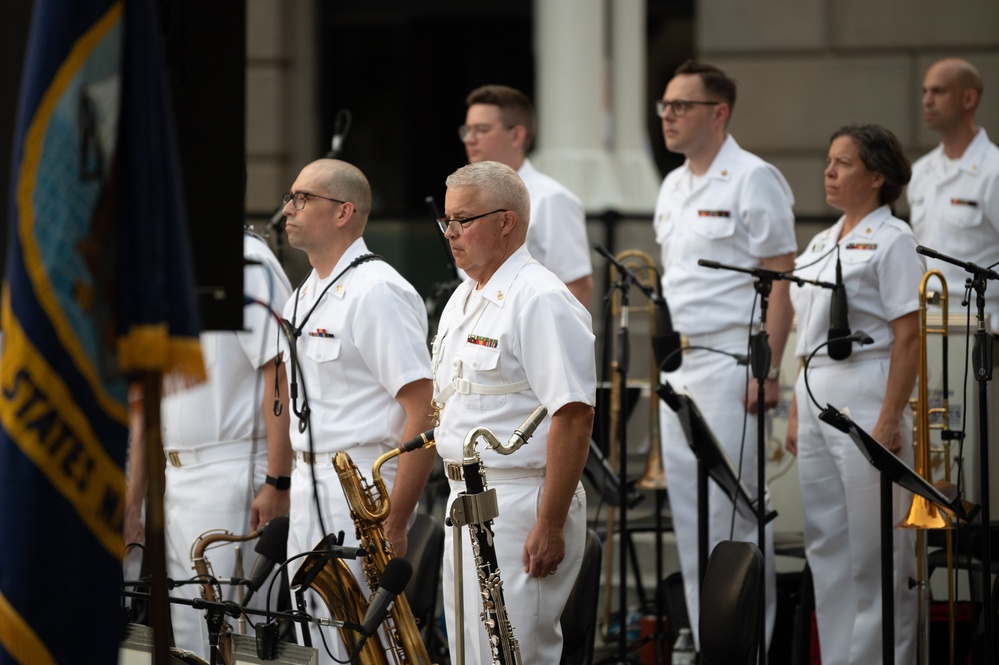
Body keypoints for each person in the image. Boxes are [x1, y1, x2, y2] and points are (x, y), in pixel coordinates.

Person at [652, 60, 796, 650]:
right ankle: (711, 645)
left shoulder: (752, 178)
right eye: (664, 105)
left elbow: (782, 278)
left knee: (736, 521)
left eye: (680, 105)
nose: (667, 116)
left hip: (734, 364)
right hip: (682, 366)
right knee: (692, 522)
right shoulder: (673, 183)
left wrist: (769, 370)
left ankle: (747, 650)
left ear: (719, 112)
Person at [430, 160, 596, 663]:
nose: (451, 234)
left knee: (514, 654)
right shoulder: (464, 296)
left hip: (519, 500)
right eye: (447, 221)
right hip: (464, 498)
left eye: (464, 220)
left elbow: (573, 413)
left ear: (507, 221)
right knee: (469, 654)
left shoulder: (540, 297)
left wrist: (549, 522)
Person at [278, 158, 436, 664]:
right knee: (316, 648)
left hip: (360, 495)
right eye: (290, 196)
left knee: (362, 649)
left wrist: (395, 519)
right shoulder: (303, 294)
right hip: (309, 488)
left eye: (303, 198)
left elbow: (424, 413)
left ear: (344, 211)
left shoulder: (377, 291)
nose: (288, 209)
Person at [786, 124, 921, 665]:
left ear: (877, 176)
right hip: (817, 391)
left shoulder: (895, 238)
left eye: (842, 163)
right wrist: (797, 411)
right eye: (828, 160)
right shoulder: (822, 241)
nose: (829, 171)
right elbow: (805, 339)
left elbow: (908, 335)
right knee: (828, 547)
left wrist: (891, 416)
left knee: (877, 550)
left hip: (868, 385)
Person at [124, 230, 294, 657]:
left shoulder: (246, 261)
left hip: (232, 465)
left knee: (240, 629)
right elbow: (145, 398)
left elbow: (279, 371)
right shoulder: (161, 261)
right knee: (186, 626)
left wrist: (278, 480)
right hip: (172, 474)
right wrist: (133, 501)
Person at [460, 84, 594, 308]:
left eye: (481, 129)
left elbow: (577, 286)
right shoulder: (471, 197)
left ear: (516, 135)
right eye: (467, 130)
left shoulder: (551, 198)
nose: (469, 139)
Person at [908, 57, 999, 331]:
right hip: (928, 324)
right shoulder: (920, 171)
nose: (927, 100)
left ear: (969, 98)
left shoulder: (994, 170)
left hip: (985, 328)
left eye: (938, 91)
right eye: (925, 91)